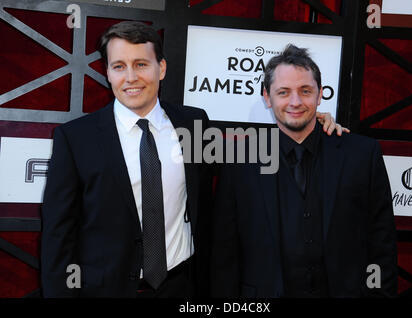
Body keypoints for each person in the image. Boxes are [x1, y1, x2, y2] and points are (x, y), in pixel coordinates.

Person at [40, 21, 343, 298]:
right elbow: (58, 234)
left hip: (182, 289)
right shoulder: (76, 138)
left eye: (141, 64)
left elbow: (255, 156)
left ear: (161, 68)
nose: (130, 77)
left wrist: (309, 121)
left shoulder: (192, 124)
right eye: (119, 66)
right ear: (107, 72)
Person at [210, 44, 398, 298]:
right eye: (284, 92)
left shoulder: (362, 154)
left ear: (320, 94)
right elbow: (225, 253)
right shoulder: (239, 161)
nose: (295, 102)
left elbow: (381, 241)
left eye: (305, 91)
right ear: (267, 97)